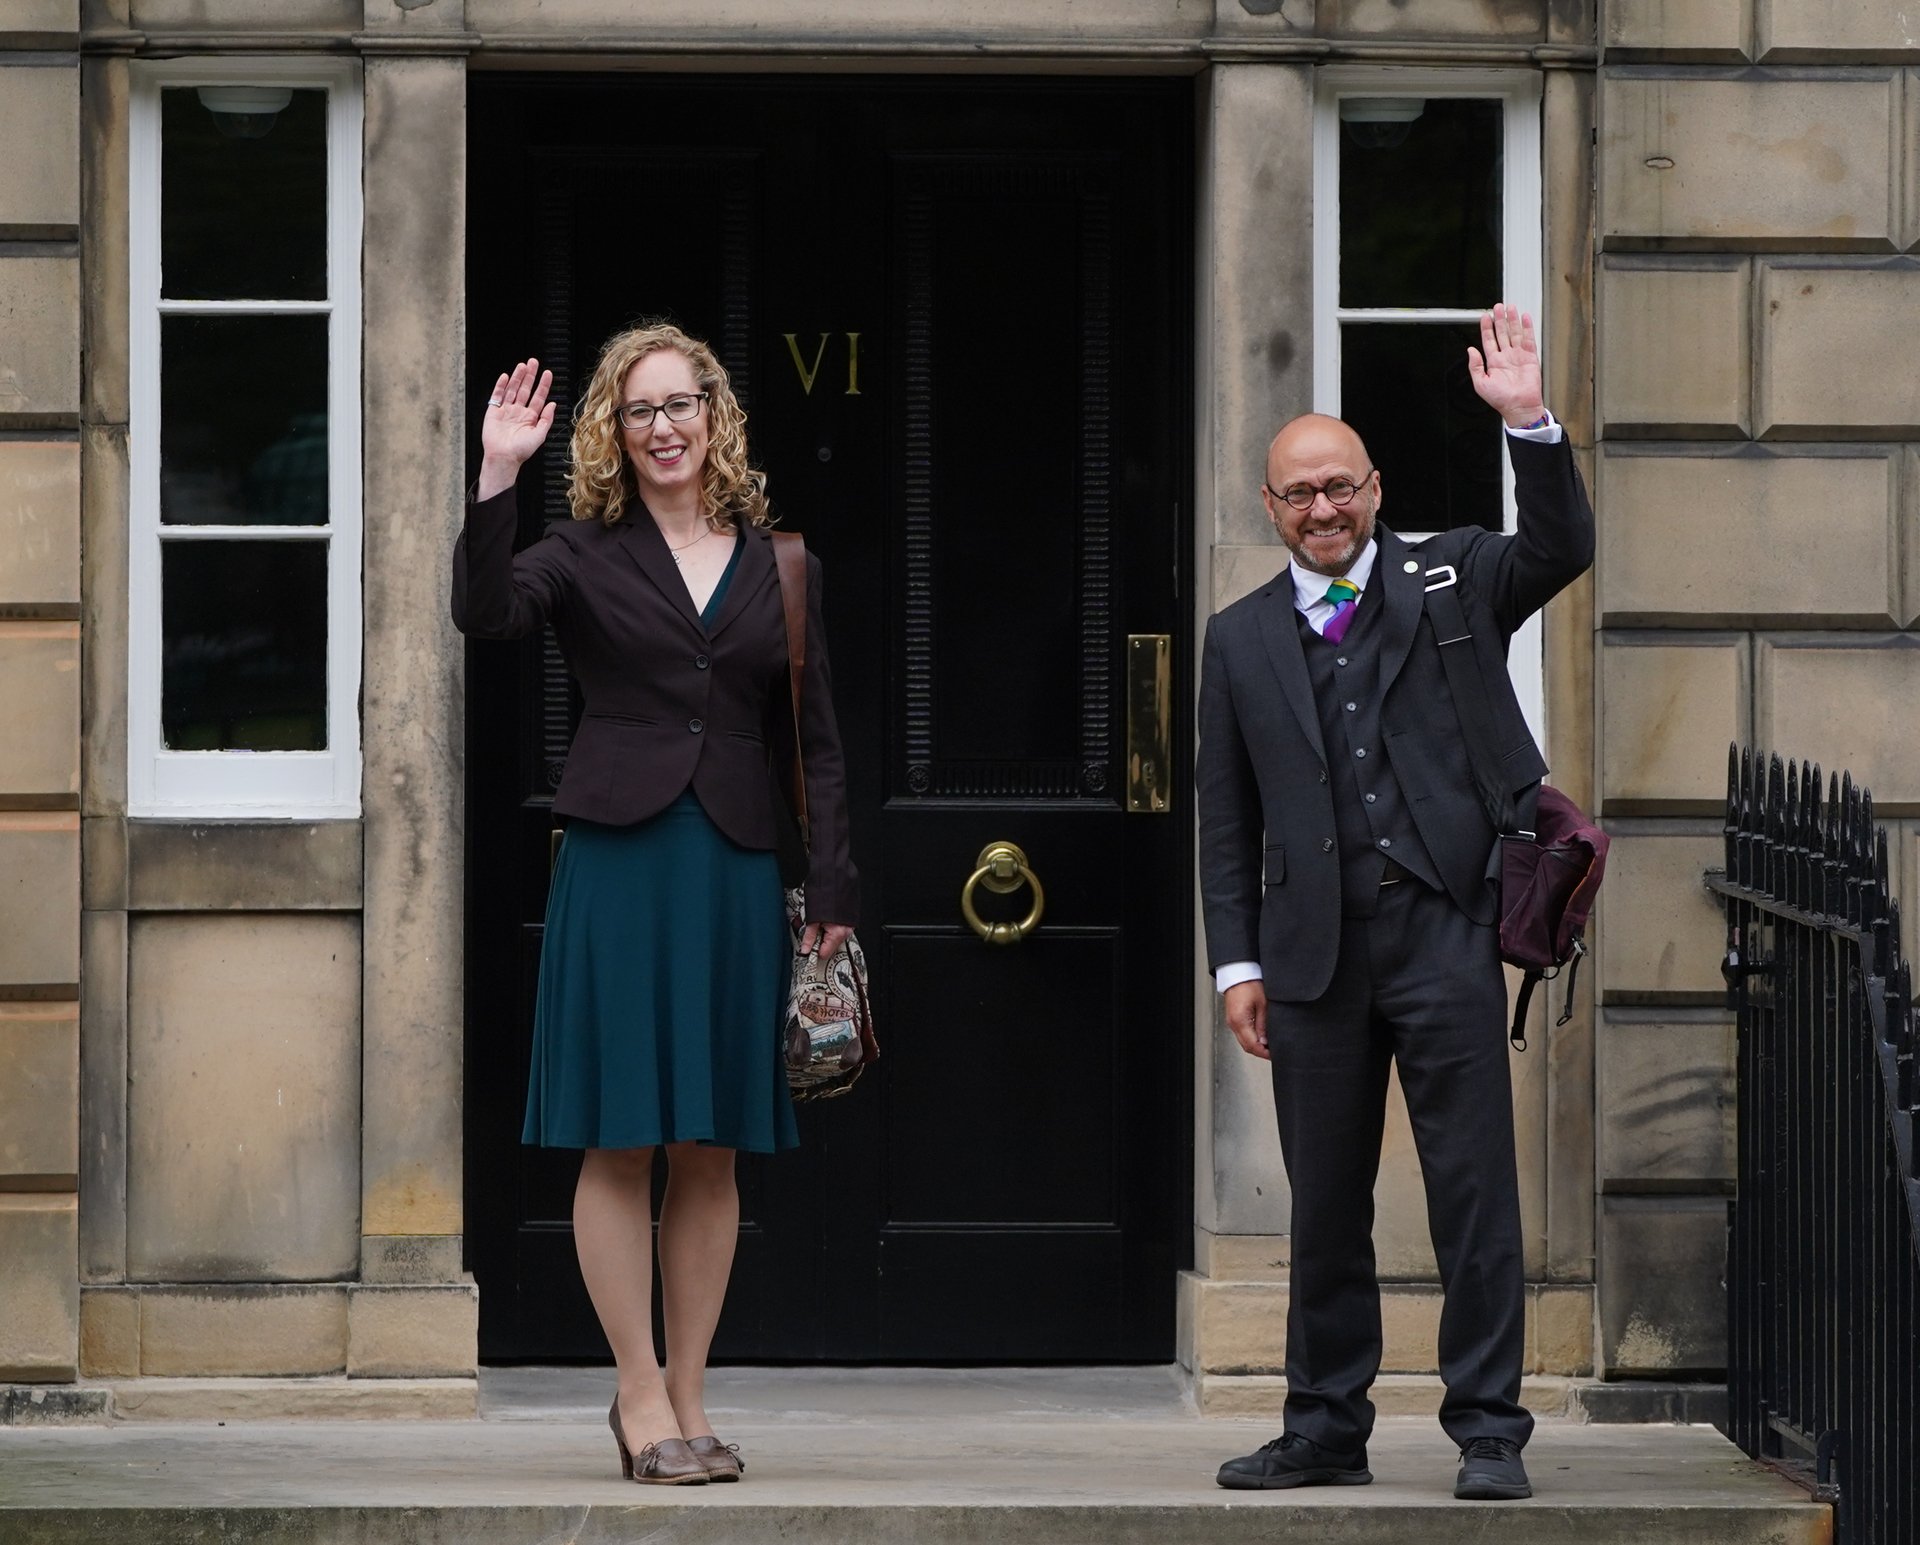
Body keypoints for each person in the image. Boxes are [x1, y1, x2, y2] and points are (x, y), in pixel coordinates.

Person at [1195, 304, 1593, 1502]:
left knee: (1474, 1191)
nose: (1323, 510)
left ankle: (1488, 1432)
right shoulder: (1238, 638)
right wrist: (1237, 966)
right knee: (1325, 1206)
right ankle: (1324, 1427)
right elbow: (1226, 817)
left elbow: (1560, 546)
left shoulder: (1454, 577)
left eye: (1340, 487)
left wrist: (1529, 423)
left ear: (1374, 487)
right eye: (1298, 494)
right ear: (1270, 509)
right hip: (1311, 953)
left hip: (1443, 932)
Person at [452, 325, 857, 1485]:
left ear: (716, 418)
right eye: (641, 411)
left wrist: (830, 883)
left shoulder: (782, 566)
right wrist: (495, 479)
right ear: (613, 434)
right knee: (623, 1136)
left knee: (711, 1146)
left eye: (683, 405)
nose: (665, 427)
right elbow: (485, 617)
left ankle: (690, 1394)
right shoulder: (578, 555)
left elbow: (816, 741)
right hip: (620, 863)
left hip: (732, 862)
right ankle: (635, 1395)